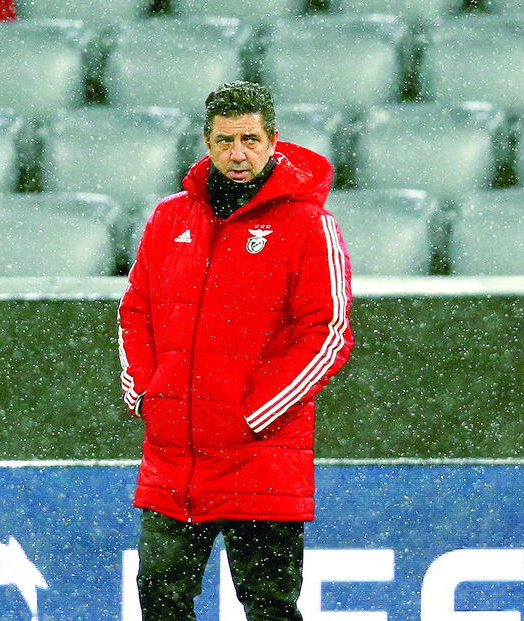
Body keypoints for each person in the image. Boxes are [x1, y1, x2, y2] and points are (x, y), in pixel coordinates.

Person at [117, 80, 353, 620]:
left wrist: (252, 415)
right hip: (173, 458)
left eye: (249, 138)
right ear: (207, 142)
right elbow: (136, 310)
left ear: (273, 141)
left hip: (260, 457)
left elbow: (329, 331)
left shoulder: (309, 225)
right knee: (160, 603)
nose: (237, 153)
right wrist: (146, 396)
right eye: (225, 141)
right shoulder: (169, 218)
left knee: (269, 608)